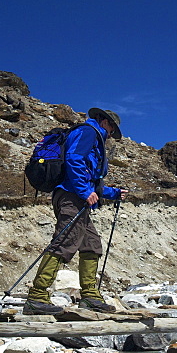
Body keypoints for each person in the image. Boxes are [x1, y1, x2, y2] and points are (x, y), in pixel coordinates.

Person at [25, 107, 127, 314]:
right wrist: (83, 191)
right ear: (105, 122)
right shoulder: (89, 132)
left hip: (76, 198)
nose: (109, 136)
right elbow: (74, 159)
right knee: (64, 243)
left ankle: (89, 296)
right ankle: (37, 296)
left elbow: (90, 179)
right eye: (111, 130)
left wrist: (114, 193)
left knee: (92, 244)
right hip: (72, 198)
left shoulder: (91, 135)